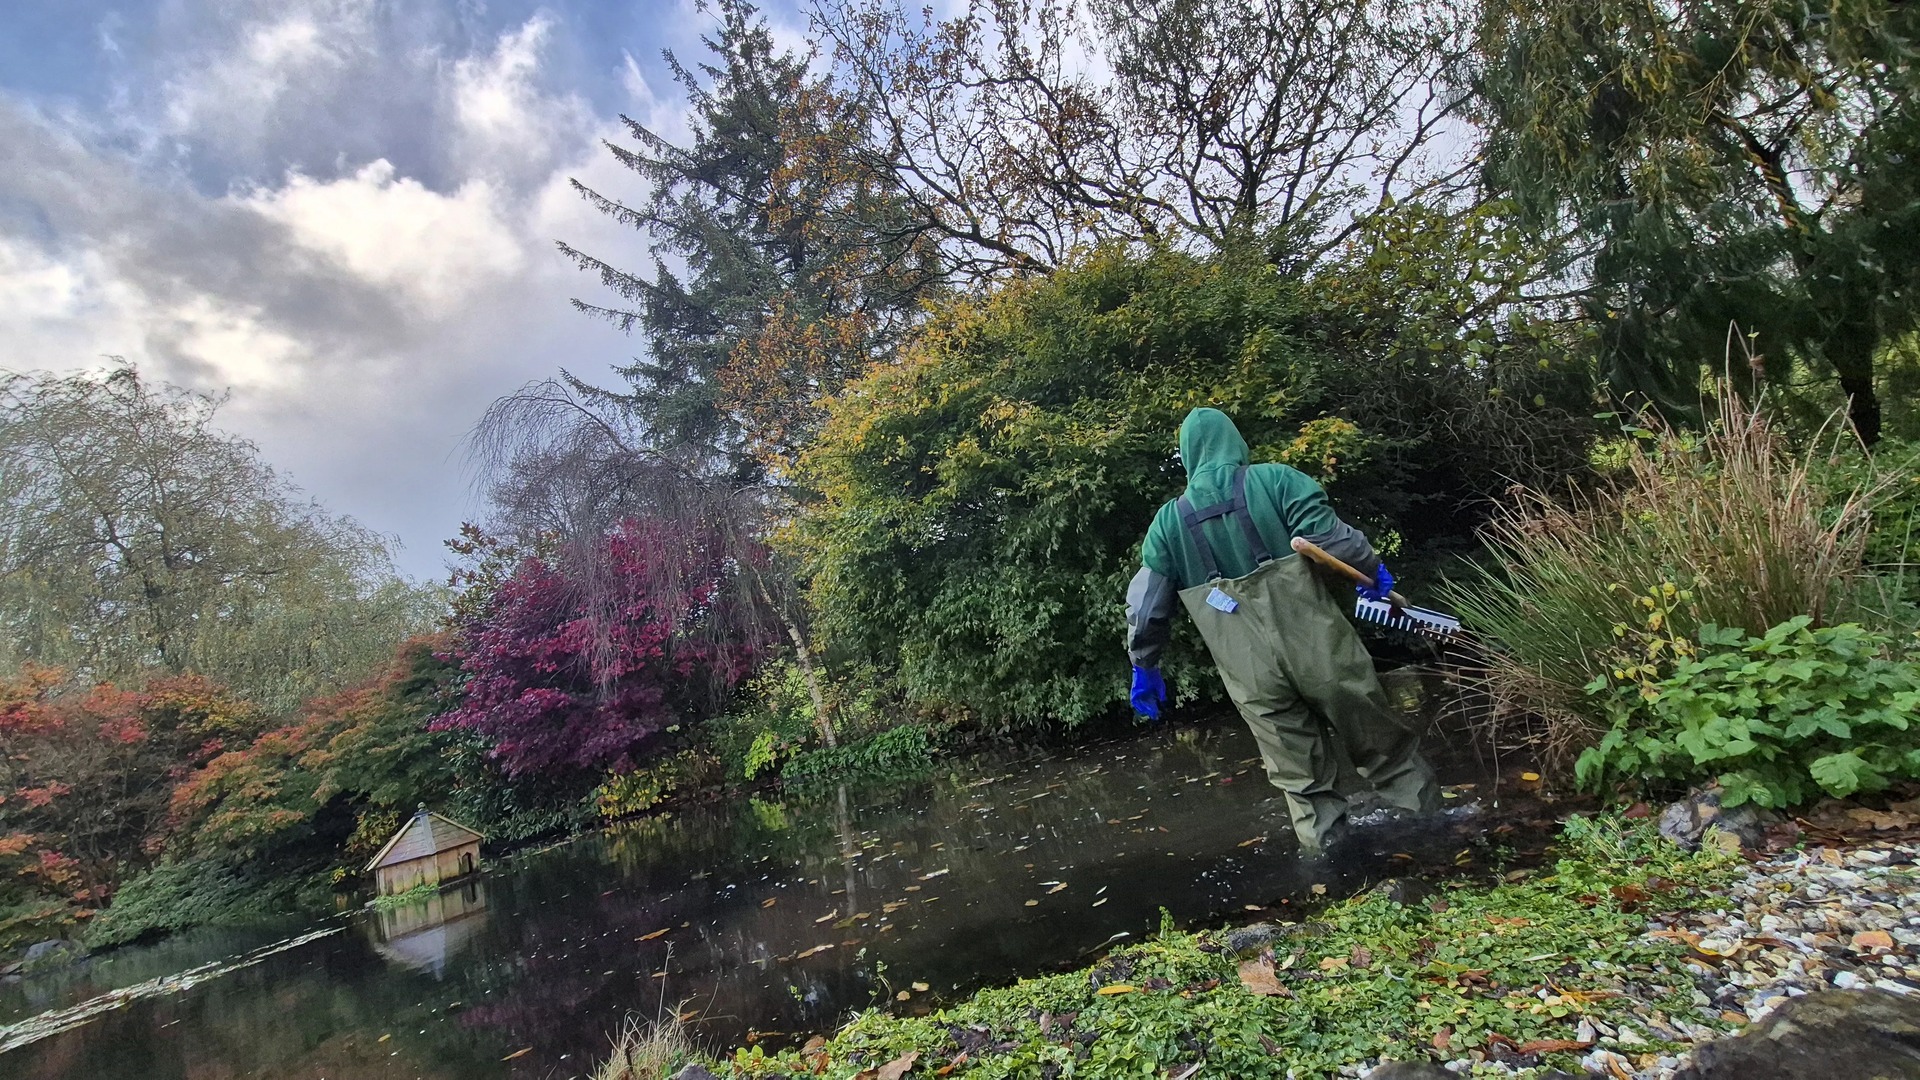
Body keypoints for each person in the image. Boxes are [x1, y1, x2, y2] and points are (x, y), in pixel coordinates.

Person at [1124, 407, 1438, 852]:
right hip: (1323, 653)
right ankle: (1436, 848)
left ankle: (1335, 877)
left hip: (1251, 676)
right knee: (1387, 753)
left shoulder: (1167, 525)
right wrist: (1373, 571)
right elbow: (1337, 544)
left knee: (1302, 785)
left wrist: (1145, 666)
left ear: (1188, 455)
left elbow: (1146, 608)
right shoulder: (1277, 481)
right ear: (1234, 442)